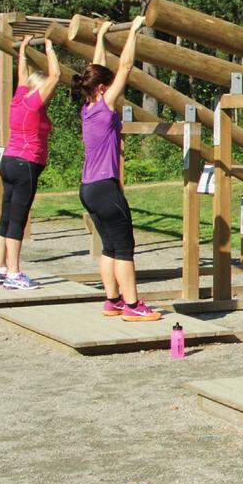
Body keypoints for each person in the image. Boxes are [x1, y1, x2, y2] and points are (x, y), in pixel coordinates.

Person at [72, 16, 161, 322]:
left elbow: (96, 68)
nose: (114, 89)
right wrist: (134, 31)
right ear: (101, 88)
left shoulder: (87, 107)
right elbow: (124, 68)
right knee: (124, 247)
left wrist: (102, 37)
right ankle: (134, 305)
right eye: (108, 86)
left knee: (109, 245)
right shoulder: (104, 106)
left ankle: (112, 301)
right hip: (106, 188)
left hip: (88, 189)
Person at [0, 36, 60, 289]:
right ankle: (14, 274)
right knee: (18, 219)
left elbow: (21, 75)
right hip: (25, 164)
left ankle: (0, 269)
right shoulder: (33, 103)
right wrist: (50, 47)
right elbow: (55, 76)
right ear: (40, 88)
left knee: (6, 216)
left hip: (9, 161)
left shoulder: (18, 98)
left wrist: (23, 50)